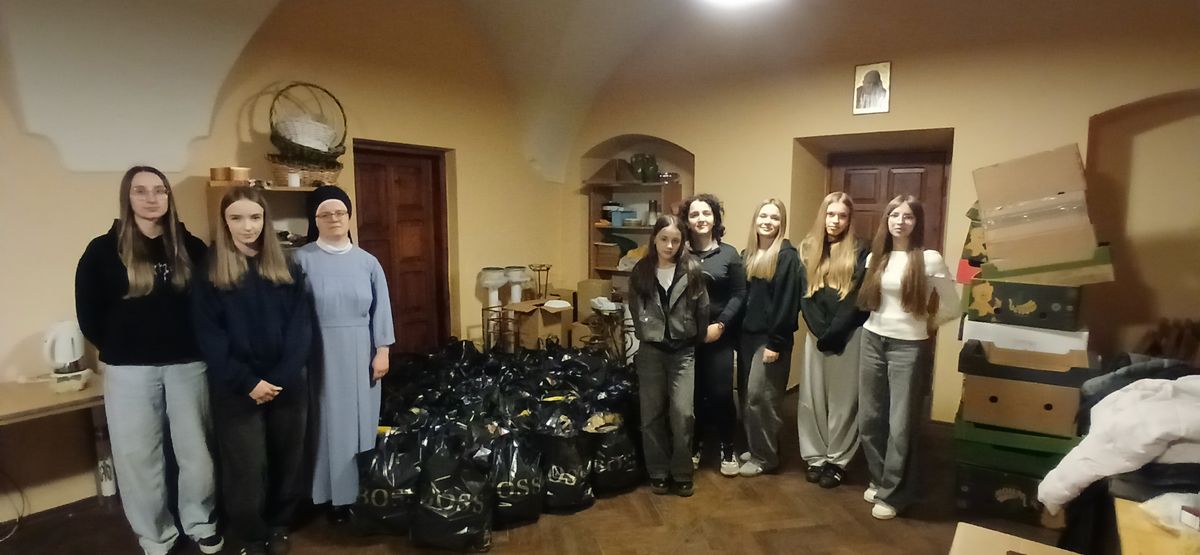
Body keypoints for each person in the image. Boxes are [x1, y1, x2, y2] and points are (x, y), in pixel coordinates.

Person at [74, 166, 222, 555]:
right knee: (139, 457)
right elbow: (89, 315)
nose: (151, 198)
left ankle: (200, 521)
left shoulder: (191, 247)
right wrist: (123, 346)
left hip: (188, 366)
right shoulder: (101, 251)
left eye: (159, 190)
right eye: (141, 191)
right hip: (129, 371)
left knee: (197, 454)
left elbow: (210, 304)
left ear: (169, 197)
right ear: (128, 198)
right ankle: (156, 535)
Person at [192, 187, 311, 555]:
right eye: (237, 218)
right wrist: (249, 382)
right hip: (236, 388)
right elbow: (209, 337)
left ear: (265, 220)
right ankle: (251, 534)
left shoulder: (287, 266)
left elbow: (301, 328)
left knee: (287, 458)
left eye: (255, 217)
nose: (248, 226)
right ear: (225, 222)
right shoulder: (210, 270)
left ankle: (279, 524)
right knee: (246, 466)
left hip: (286, 384)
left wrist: (279, 378)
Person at [293, 185, 395, 522]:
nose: (334, 218)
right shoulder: (300, 260)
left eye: (340, 212)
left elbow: (381, 309)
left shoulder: (368, 262)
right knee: (323, 424)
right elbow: (291, 312)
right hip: (317, 352)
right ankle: (325, 495)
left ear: (349, 216)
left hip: (361, 353)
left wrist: (382, 350)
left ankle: (358, 493)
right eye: (325, 213)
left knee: (360, 424)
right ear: (314, 219)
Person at [856, 194, 960, 520]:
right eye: (894, 215)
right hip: (872, 339)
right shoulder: (876, 257)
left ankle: (895, 493)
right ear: (886, 220)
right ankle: (879, 479)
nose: (900, 221)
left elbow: (953, 305)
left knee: (900, 425)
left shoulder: (929, 259)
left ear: (917, 222)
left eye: (908, 216)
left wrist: (926, 325)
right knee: (869, 419)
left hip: (908, 347)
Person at [627, 214, 710, 496]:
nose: (669, 245)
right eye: (664, 239)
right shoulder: (641, 270)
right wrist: (647, 333)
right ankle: (658, 471)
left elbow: (703, 309)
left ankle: (682, 471)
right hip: (651, 351)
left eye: (675, 240)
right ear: (654, 239)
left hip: (682, 352)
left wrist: (693, 337)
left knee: (683, 414)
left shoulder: (692, 269)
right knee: (651, 414)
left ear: (682, 242)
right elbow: (635, 308)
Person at [796, 192, 869, 489]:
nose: (835, 221)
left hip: (848, 335)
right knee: (811, 397)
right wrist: (819, 332)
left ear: (849, 220)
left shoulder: (861, 250)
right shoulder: (807, 248)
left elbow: (858, 297)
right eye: (830, 214)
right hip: (816, 335)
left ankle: (837, 460)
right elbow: (805, 296)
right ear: (822, 216)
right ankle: (815, 456)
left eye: (842, 216)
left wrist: (836, 332)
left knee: (843, 400)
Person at [677, 194, 745, 476]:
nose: (701, 219)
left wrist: (721, 325)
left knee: (720, 394)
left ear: (715, 218)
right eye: (694, 214)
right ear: (687, 220)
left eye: (706, 213)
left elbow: (739, 294)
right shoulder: (679, 253)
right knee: (694, 395)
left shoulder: (729, 254)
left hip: (719, 336)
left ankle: (728, 447)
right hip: (686, 337)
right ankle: (695, 445)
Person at [736, 199, 801, 477]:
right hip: (747, 338)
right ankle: (757, 447)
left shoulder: (787, 257)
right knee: (747, 397)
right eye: (763, 216)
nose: (768, 222)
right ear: (755, 220)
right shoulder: (747, 254)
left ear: (781, 224)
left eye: (775, 218)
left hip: (771, 340)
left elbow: (788, 303)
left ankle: (766, 457)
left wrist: (776, 342)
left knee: (761, 399)